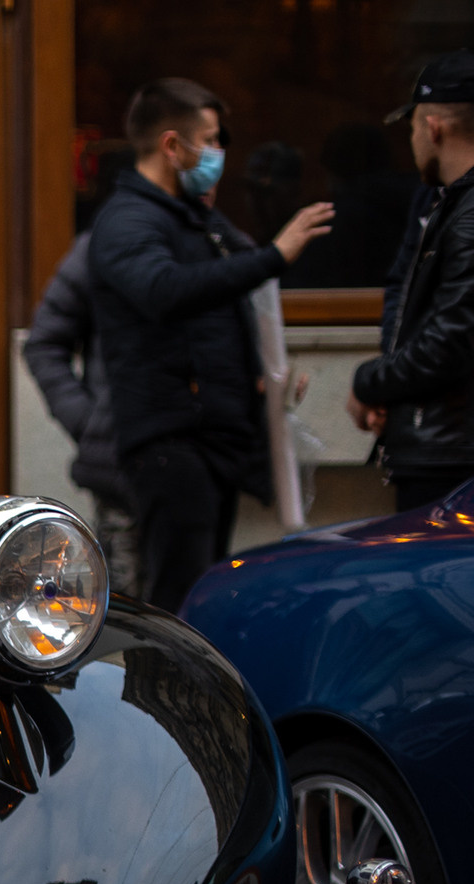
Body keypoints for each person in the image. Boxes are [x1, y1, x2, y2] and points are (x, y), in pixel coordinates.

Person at [91, 78, 334, 611]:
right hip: (171, 442)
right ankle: (157, 696)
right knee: (178, 599)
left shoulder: (196, 219)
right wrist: (275, 255)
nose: (219, 154)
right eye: (211, 139)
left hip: (213, 440)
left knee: (204, 595)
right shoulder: (129, 221)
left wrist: (262, 379)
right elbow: (165, 292)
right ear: (172, 146)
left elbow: (223, 312)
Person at [349, 52, 474, 512]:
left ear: (434, 126)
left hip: (452, 456)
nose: (413, 140)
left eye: (413, 127)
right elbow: (403, 294)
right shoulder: (442, 203)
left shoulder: (466, 214)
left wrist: (369, 381)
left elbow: (453, 339)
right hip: (443, 445)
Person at [24, 234, 141, 595]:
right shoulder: (104, 246)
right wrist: (92, 427)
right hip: (125, 476)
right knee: (128, 618)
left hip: (204, 475)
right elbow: (44, 344)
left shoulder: (221, 241)